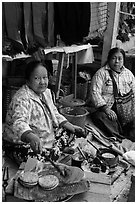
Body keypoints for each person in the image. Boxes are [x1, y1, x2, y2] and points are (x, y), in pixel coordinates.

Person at [3, 60, 85, 158]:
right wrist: (31, 136)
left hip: (46, 136)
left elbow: (54, 112)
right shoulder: (22, 98)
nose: (42, 82)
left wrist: (70, 125)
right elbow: (19, 122)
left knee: (73, 132)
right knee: (33, 156)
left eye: (45, 77)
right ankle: (55, 151)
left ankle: (55, 150)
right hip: (23, 141)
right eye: (37, 78)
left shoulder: (47, 92)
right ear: (28, 81)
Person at [89, 47, 135, 142]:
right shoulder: (101, 74)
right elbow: (95, 93)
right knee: (100, 117)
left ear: (123, 60)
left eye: (120, 59)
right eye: (114, 58)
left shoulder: (128, 74)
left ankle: (127, 133)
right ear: (109, 59)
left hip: (125, 109)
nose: (117, 61)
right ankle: (119, 136)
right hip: (107, 108)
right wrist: (106, 109)